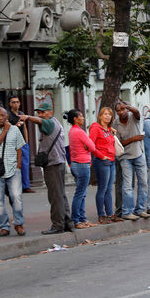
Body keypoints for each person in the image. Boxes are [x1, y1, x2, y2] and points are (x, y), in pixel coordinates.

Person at [21, 102, 74, 234]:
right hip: (58, 163)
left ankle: (57, 225)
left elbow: (39, 121)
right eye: (39, 112)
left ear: (50, 112)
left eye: (43, 112)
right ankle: (67, 223)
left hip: (53, 164)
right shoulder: (55, 122)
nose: (40, 115)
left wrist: (27, 117)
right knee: (61, 195)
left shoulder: (50, 123)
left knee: (55, 196)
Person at [0, 108, 26, 237]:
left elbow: (19, 148)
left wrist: (19, 166)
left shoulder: (15, 130)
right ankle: (4, 226)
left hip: (13, 168)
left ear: (7, 117)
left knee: (16, 197)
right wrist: (5, 130)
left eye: (2, 116)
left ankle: (19, 224)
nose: (0, 118)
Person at [66, 108, 105, 228]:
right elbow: (92, 146)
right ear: (75, 119)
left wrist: (86, 146)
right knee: (80, 193)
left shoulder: (72, 131)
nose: (83, 118)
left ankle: (82, 219)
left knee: (81, 193)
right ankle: (76, 220)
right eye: (81, 116)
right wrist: (100, 155)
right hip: (82, 164)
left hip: (76, 164)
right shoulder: (80, 132)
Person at [115, 101, 150, 220]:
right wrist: (134, 138)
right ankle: (127, 211)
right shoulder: (116, 123)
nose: (121, 112)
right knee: (127, 185)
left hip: (138, 154)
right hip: (125, 157)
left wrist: (128, 107)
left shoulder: (133, 117)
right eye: (118, 111)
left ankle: (140, 209)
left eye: (123, 109)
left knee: (143, 183)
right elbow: (119, 143)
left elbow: (137, 112)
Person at [86, 107, 120, 223]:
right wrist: (101, 156)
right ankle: (101, 215)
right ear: (100, 116)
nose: (107, 116)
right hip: (102, 161)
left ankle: (110, 214)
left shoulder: (109, 129)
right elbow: (91, 145)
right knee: (102, 189)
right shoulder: (96, 128)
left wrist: (111, 130)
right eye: (105, 114)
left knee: (109, 189)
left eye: (109, 114)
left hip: (111, 161)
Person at [7, 96, 34, 193]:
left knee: (25, 164)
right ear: (10, 104)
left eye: (17, 102)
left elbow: (25, 128)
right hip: (12, 144)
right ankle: (15, 186)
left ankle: (26, 186)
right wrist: (15, 126)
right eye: (13, 102)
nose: (16, 104)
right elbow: (6, 129)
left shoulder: (21, 114)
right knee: (14, 166)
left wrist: (26, 142)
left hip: (22, 144)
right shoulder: (8, 115)